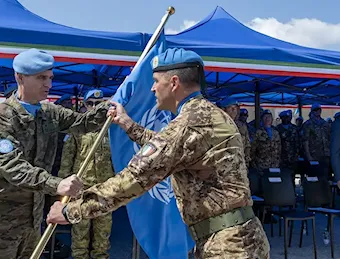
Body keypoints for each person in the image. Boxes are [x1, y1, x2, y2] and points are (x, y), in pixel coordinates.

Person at [47, 48, 270, 259]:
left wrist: (70, 211)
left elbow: (133, 179)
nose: (153, 89)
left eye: (155, 82)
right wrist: (127, 124)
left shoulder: (189, 124)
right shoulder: (207, 115)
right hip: (234, 239)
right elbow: (170, 148)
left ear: (173, 82)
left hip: (228, 247)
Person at [0, 48, 111, 259]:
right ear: (20, 77)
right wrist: (56, 184)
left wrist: (116, 101)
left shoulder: (49, 113)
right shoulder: (2, 117)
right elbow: (12, 167)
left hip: (31, 221)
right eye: (41, 77)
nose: (49, 84)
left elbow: (84, 122)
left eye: (50, 78)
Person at [58, 89, 114, 260]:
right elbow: (67, 159)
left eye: (99, 104)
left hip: (105, 187)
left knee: (102, 234)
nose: (95, 107)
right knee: (80, 233)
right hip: (80, 188)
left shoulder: (111, 127)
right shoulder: (77, 128)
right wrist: (61, 188)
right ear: (84, 105)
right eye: (91, 103)